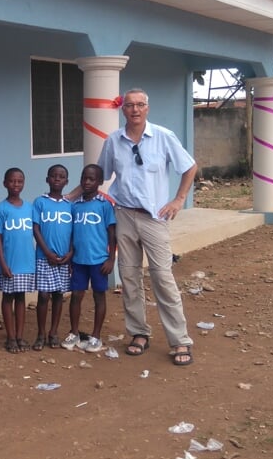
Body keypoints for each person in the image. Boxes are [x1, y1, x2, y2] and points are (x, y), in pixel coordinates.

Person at [98, 88, 199, 366]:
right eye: (129, 105)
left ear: (147, 108)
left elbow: (189, 167)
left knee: (162, 278)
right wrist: (70, 197)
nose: (135, 110)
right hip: (124, 216)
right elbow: (99, 175)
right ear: (123, 110)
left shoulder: (164, 137)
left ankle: (179, 340)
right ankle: (138, 333)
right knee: (129, 278)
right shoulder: (113, 141)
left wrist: (179, 199)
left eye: (140, 104)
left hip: (154, 219)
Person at [63, 164, 117, 353]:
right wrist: (70, 255)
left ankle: (95, 336)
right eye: (84, 178)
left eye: (92, 179)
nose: (87, 182)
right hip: (78, 261)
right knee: (76, 296)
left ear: (100, 182)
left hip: (99, 261)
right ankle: (74, 332)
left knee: (98, 296)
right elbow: (71, 233)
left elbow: (112, 232)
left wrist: (111, 258)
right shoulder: (74, 205)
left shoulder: (104, 205)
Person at [31, 164, 73, 350]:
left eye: (61, 176)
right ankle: (40, 333)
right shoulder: (39, 202)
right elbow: (36, 229)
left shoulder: (69, 205)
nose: (57, 179)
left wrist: (71, 253)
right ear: (47, 179)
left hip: (63, 259)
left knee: (58, 295)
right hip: (44, 257)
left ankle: (53, 332)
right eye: (53, 176)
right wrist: (47, 252)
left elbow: (74, 232)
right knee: (43, 296)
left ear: (66, 181)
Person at [0, 167, 35, 353]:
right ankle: (10, 337)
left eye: (19, 181)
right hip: (9, 263)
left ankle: (20, 336)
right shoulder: (0, 209)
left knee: (21, 298)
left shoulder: (30, 208)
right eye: (12, 181)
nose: (16, 184)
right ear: (4, 183)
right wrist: (2, 263)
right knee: (8, 298)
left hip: (26, 262)